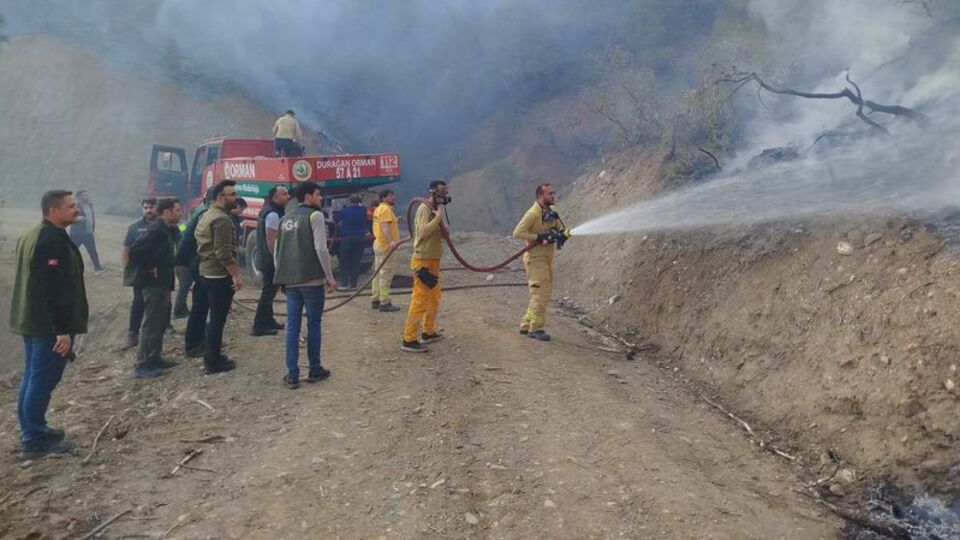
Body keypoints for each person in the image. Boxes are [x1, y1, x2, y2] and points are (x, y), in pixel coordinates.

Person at [9, 190, 88, 460]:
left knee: (33, 377)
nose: (76, 209)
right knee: (42, 379)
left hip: (33, 321)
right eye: (70, 206)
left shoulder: (35, 234)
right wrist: (62, 330)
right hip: (47, 326)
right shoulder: (50, 241)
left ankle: (33, 429)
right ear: (53, 210)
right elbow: (51, 288)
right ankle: (33, 439)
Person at [274, 181, 337, 389]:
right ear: (308, 196)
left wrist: (282, 275)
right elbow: (321, 249)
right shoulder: (315, 216)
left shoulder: (284, 219)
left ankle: (292, 374)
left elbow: (277, 252)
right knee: (313, 325)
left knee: (292, 327)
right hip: (312, 281)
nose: (321, 199)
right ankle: (315, 369)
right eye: (318, 195)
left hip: (291, 282)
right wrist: (329, 276)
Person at [127, 198, 182, 378]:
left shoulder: (168, 229)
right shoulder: (156, 230)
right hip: (152, 284)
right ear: (166, 212)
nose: (180, 213)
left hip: (163, 282)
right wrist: (150, 267)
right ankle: (142, 363)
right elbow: (134, 252)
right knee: (150, 322)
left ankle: (155, 357)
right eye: (177, 210)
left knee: (160, 322)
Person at [194, 180, 243, 374]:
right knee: (217, 319)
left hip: (206, 272)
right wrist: (236, 276)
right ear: (220, 197)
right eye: (232, 194)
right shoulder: (222, 219)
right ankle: (213, 361)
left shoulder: (207, 215)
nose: (235, 198)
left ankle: (212, 355)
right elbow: (223, 253)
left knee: (214, 317)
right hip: (218, 276)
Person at [401, 181, 450, 353]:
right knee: (420, 299)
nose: (445, 194)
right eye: (442, 191)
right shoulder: (424, 208)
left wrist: (443, 231)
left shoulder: (434, 210)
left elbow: (432, 233)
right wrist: (438, 217)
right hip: (422, 260)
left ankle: (428, 332)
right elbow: (422, 232)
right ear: (433, 192)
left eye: (446, 191)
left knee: (434, 297)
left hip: (433, 259)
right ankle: (409, 338)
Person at [512, 183, 565, 341]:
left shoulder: (551, 211)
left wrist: (561, 234)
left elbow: (558, 226)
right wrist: (538, 238)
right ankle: (536, 329)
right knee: (540, 294)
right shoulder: (533, 214)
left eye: (553, 193)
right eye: (550, 194)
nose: (553, 196)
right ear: (540, 196)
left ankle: (526, 324)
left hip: (546, 258)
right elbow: (517, 233)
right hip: (535, 260)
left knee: (539, 294)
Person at [251, 185, 289, 336]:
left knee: (271, 292)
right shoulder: (273, 214)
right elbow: (271, 239)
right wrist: (277, 260)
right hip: (269, 260)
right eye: (284, 194)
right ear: (275, 197)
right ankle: (259, 325)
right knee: (268, 292)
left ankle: (268, 320)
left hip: (265, 258)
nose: (288, 197)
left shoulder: (269, 210)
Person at [176, 196, 212, 357]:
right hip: (195, 264)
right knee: (199, 305)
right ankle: (193, 345)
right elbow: (201, 242)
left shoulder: (199, 212)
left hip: (191, 262)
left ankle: (200, 340)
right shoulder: (204, 214)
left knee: (200, 306)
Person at [121, 198, 158, 350]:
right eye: (146, 207)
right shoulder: (134, 227)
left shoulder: (164, 225)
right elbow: (126, 249)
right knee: (138, 302)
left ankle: (162, 329)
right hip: (140, 272)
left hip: (160, 272)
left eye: (151, 207)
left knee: (161, 302)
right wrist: (127, 268)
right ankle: (133, 334)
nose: (149, 210)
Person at [371, 189, 401, 312]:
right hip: (385, 246)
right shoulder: (386, 209)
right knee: (386, 274)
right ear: (383, 198)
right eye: (390, 195)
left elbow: (385, 224)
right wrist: (391, 241)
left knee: (378, 273)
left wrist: (396, 221)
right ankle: (384, 302)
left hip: (379, 244)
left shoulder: (380, 209)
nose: (394, 197)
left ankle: (376, 299)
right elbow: (384, 226)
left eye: (393, 195)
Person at [336, 194, 368, 291]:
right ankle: (353, 285)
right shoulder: (363, 210)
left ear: (349, 201)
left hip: (347, 238)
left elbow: (335, 218)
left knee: (344, 261)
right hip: (360, 238)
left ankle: (345, 284)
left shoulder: (345, 211)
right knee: (356, 261)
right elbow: (363, 207)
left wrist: (330, 212)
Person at [68, 189, 104, 273]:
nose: (87, 197)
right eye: (84, 195)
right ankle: (64, 267)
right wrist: (79, 219)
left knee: (93, 251)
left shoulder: (89, 205)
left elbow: (91, 218)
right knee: (71, 252)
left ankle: (98, 267)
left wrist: (92, 229)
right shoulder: (75, 206)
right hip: (77, 234)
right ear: (79, 197)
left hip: (88, 233)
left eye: (87, 195)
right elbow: (69, 217)